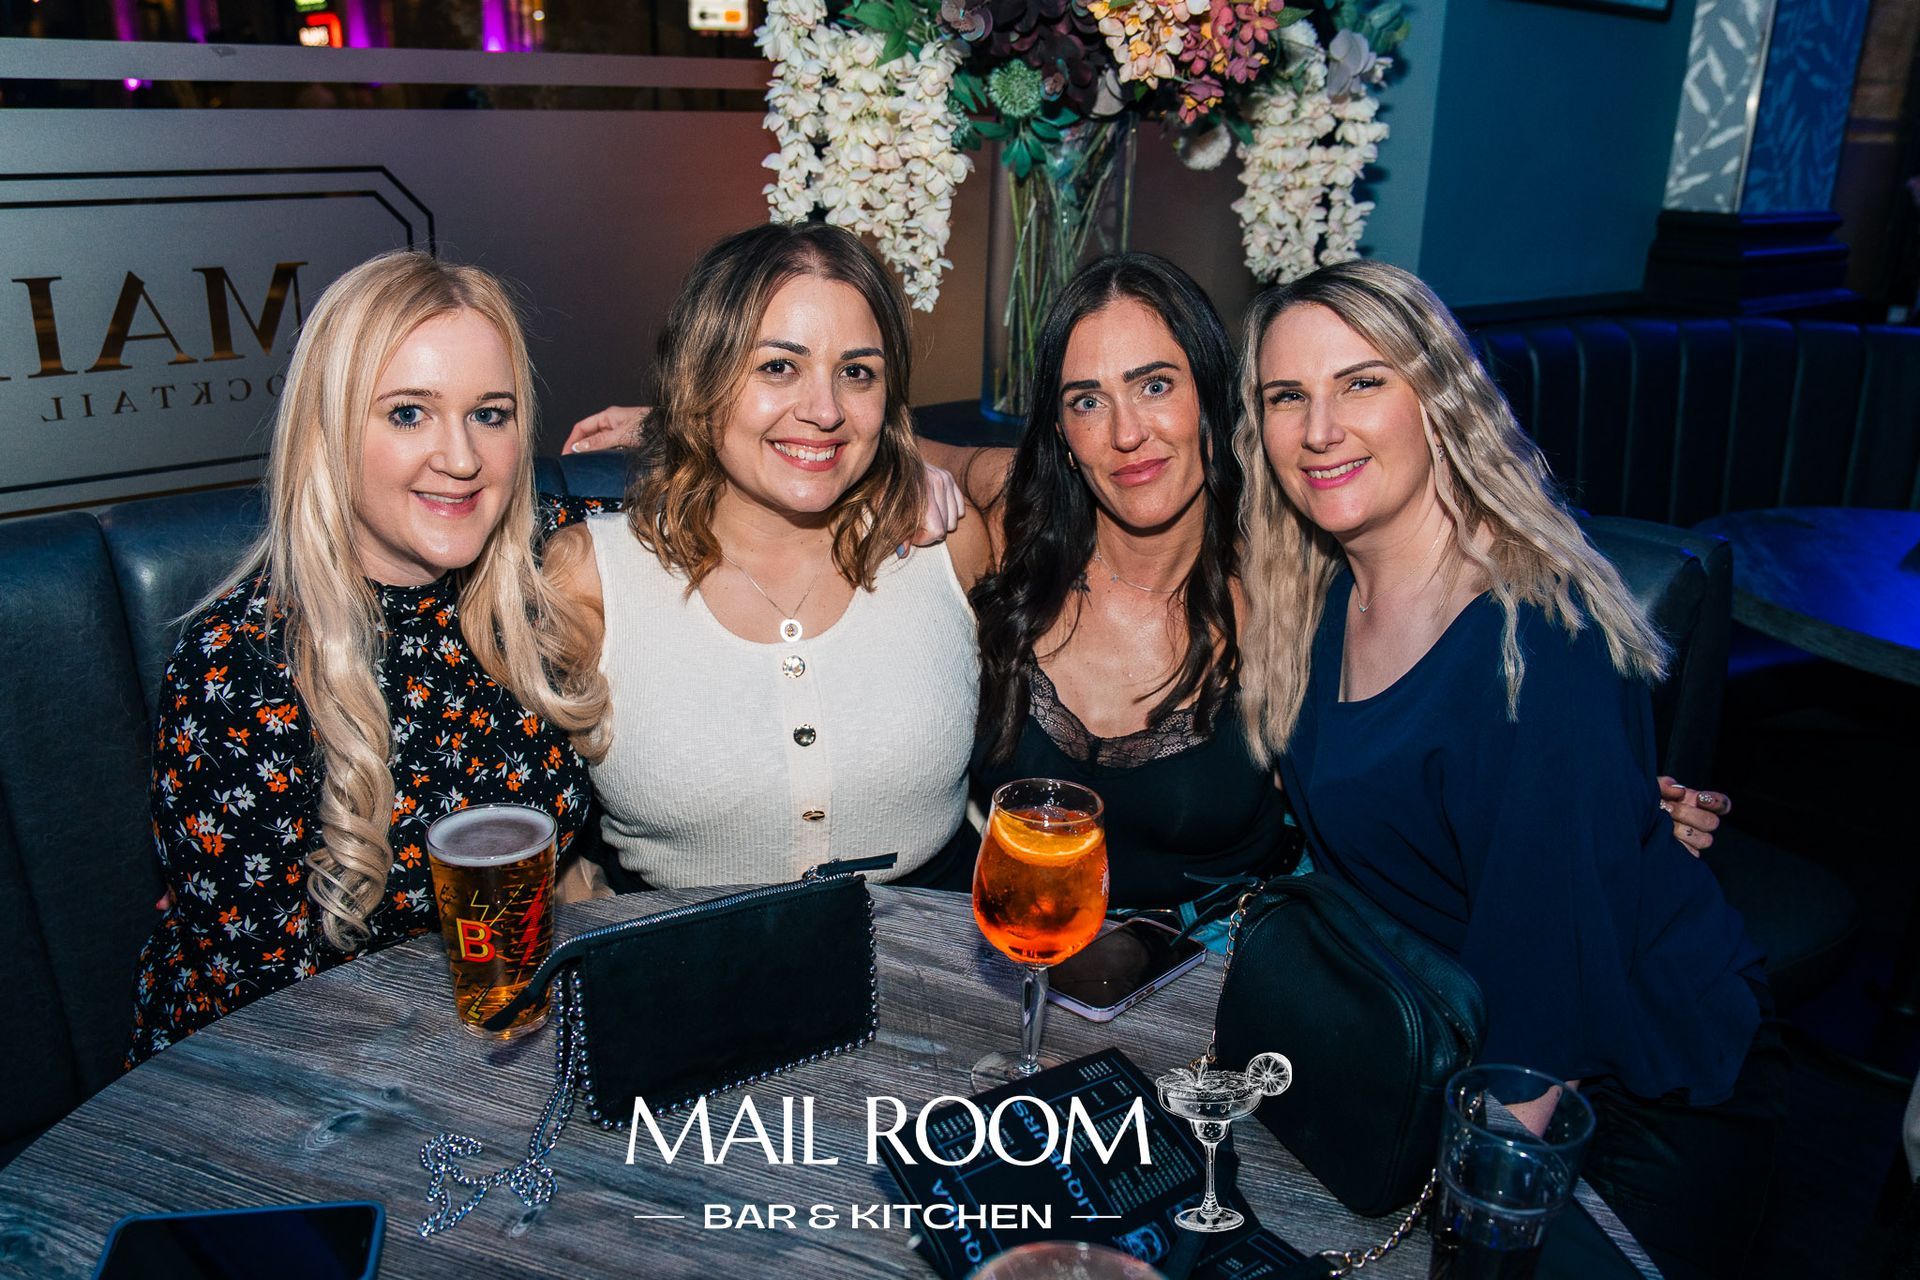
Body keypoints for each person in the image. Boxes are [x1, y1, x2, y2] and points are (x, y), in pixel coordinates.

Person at [1234, 259, 1785, 1278]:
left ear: (1438, 396)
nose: (1319, 428)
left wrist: (1466, 1227)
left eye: (1363, 381)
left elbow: (1540, 1010)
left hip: (1610, 1108)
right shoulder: (1316, 593)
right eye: (1286, 396)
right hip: (1427, 1042)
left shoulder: (1540, 638)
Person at [128, 251, 610, 1064]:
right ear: (328, 426)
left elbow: (726, 499)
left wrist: (907, 457)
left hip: (512, 1044)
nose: (461, 458)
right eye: (408, 414)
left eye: (490, 414)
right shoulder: (239, 672)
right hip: (288, 1089)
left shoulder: (545, 558)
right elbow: (259, 1017)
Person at [544, 222, 994, 889]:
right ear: (702, 377)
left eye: (857, 373)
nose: (825, 410)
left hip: (945, 970)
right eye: (778, 367)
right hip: (682, 975)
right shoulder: (591, 575)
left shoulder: (943, 544)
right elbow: (533, 826)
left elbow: (1066, 479)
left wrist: (916, 462)